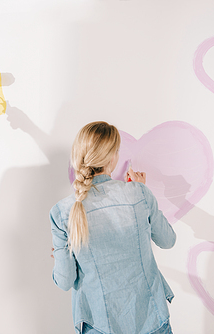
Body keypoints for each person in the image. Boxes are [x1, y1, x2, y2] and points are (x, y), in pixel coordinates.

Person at [50, 121, 176, 334]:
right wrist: (141, 192)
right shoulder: (138, 194)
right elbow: (168, 240)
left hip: (100, 325)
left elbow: (65, 281)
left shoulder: (62, 212)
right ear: (112, 157)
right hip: (151, 321)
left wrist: (62, 257)